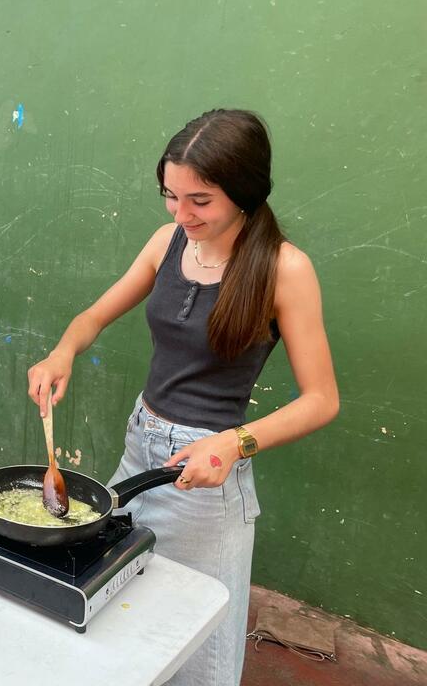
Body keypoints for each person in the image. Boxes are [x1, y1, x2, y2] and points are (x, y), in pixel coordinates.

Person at [27, 109, 339, 686]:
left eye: (200, 200)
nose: (181, 213)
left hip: (206, 473)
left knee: (199, 657)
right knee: (118, 610)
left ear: (244, 192)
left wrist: (234, 444)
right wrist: (62, 352)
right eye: (171, 196)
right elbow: (93, 316)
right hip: (140, 446)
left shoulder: (284, 269)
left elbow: (322, 399)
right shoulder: (167, 241)